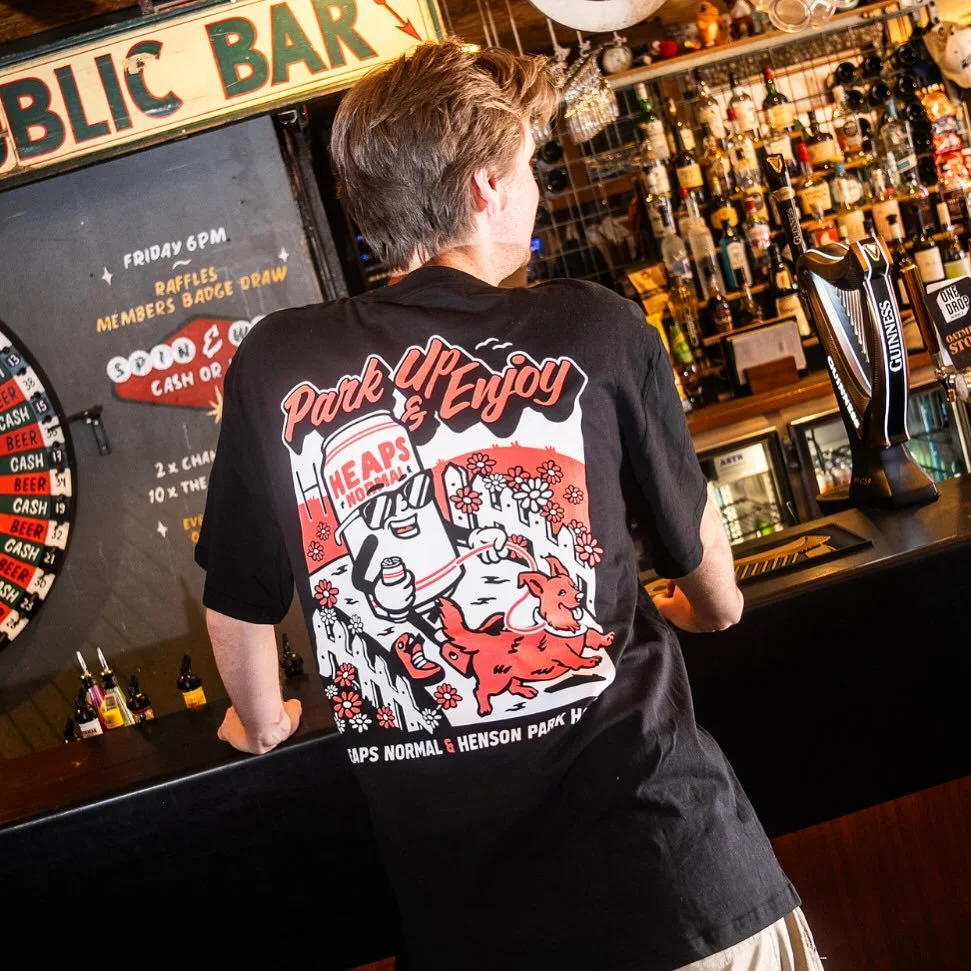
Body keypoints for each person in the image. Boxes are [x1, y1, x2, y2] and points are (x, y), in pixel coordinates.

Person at [195, 39, 824, 971]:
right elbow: (718, 595)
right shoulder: (594, 324)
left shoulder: (274, 362)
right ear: (487, 185)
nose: (532, 188)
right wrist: (686, 606)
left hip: (475, 932)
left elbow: (241, 606)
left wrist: (262, 719)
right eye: (528, 164)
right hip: (676, 886)